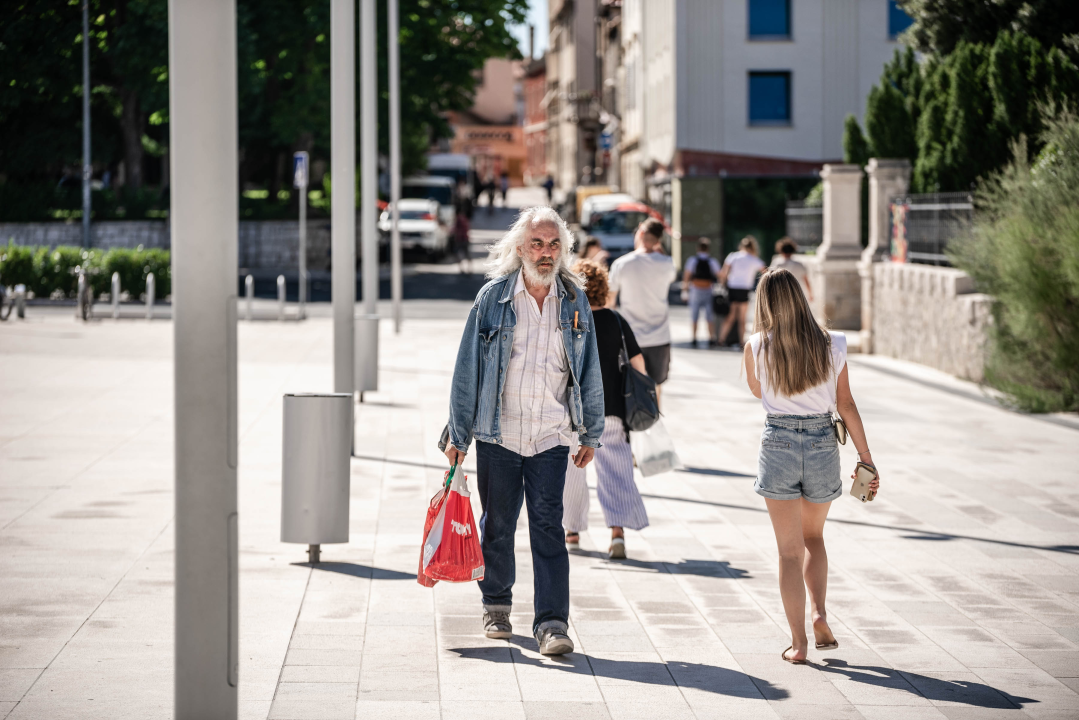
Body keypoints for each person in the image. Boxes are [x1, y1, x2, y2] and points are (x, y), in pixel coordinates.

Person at [443, 206, 604, 657]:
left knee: (548, 527)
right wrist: (458, 436)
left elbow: (588, 368)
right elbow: (467, 370)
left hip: (550, 434)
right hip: (499, 433)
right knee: (497, 526)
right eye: (537, 243)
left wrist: (590, 431)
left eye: (554, 244)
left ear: (564, 250)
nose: (546, 252)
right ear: (520, 248)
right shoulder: (493, 298)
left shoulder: (574, 300)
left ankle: (552, 623)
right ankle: (496, 604)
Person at [743, 268, 880, 665]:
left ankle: (799, 644)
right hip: (823, 443)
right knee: (814, 538)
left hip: (779, 442)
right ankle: (820, 613)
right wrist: (866, 458)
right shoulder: (833, 343)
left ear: (764, 303)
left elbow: (758, 391)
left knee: (788, 553)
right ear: (802, 297)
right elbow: (847, 404)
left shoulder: (756, 345)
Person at [562, 259, 650, 560]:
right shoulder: (616, 320)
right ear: (603, 289)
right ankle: (617, 535)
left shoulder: (570, 319)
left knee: (572, 474)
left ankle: (572, 533)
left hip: (574, 414)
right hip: (612, 410)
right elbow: (638, 364)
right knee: (617, 473)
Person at [607, 219, 677, 403]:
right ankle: (654, 421)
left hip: (630, 337)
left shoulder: (621, 264)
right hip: (659, 337)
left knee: (629, 385)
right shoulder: (668, 263)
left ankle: (631, 425)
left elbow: (610, 302)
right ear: (659, 240)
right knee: (656, 386)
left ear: (639, 234)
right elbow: (668, 273)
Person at [718, 236, 765, 348]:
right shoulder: (754, 259)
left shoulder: (733, 256)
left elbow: (723, 273)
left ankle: (721, 339)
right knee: (742, 318)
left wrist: (723, 283)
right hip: (744, 289)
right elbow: (765, 271)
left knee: (730, 316)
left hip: (732, 288)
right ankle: (741, 342)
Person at [682, 237, 722, 348]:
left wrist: (684, 291)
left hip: (695, 289)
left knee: (694, 315)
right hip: (708, 289)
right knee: (709, 316)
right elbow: (720, 275)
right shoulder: (712, 261)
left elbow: (686, 276)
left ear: (698, 248)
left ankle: (694, 338)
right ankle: (711, 338)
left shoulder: (692, 260)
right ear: (708, 248)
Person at [770, 237, 813, 302]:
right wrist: (810, 294)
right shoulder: (799, 265)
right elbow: (806, 280)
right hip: (796, 295)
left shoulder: (776, 264)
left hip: (780, 295)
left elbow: (770, 280)